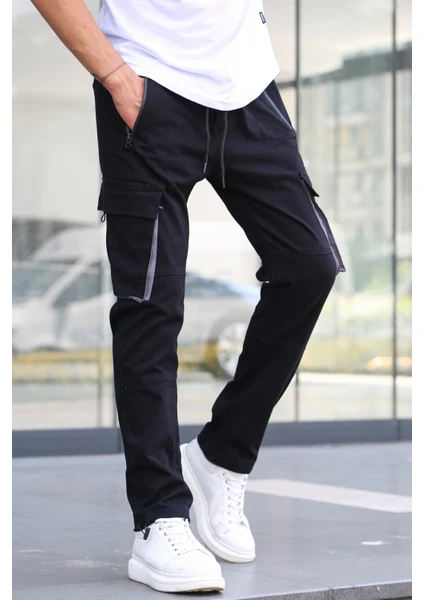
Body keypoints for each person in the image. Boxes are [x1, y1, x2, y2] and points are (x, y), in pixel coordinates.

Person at [31, 0, 345, 593]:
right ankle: (159, 518)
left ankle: (220, 455)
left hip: (248, 87)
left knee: (309, 267)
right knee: (151, 307)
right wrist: (115, 76)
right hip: (146, 82)